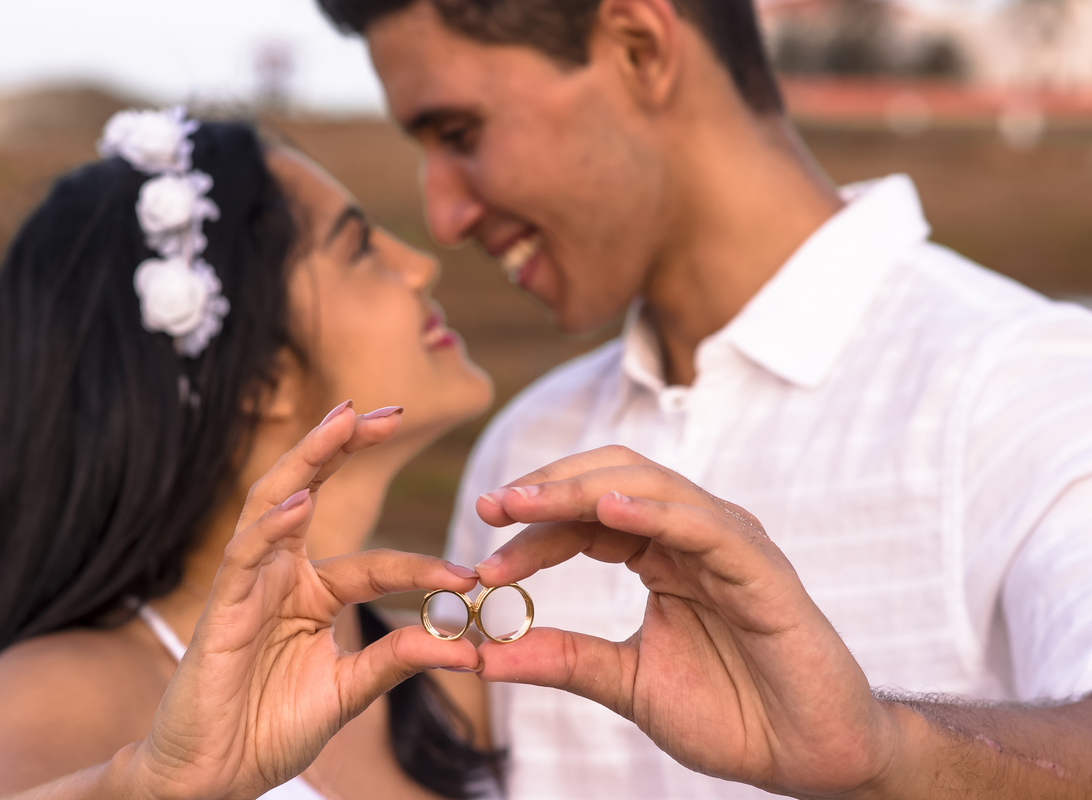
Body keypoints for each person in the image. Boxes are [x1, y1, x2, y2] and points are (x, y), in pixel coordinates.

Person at [315, 0, 1092, 797]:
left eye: (460, 134)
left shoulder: (1024, 380)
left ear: (639, 47)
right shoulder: (528, 443)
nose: (443, 218)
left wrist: (886, 749)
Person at [0, 111, 500, 800]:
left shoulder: (442, 672)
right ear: (261, 379)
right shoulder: (60, 689)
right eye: (361, 249)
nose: (421, 265)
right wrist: (153, 787)